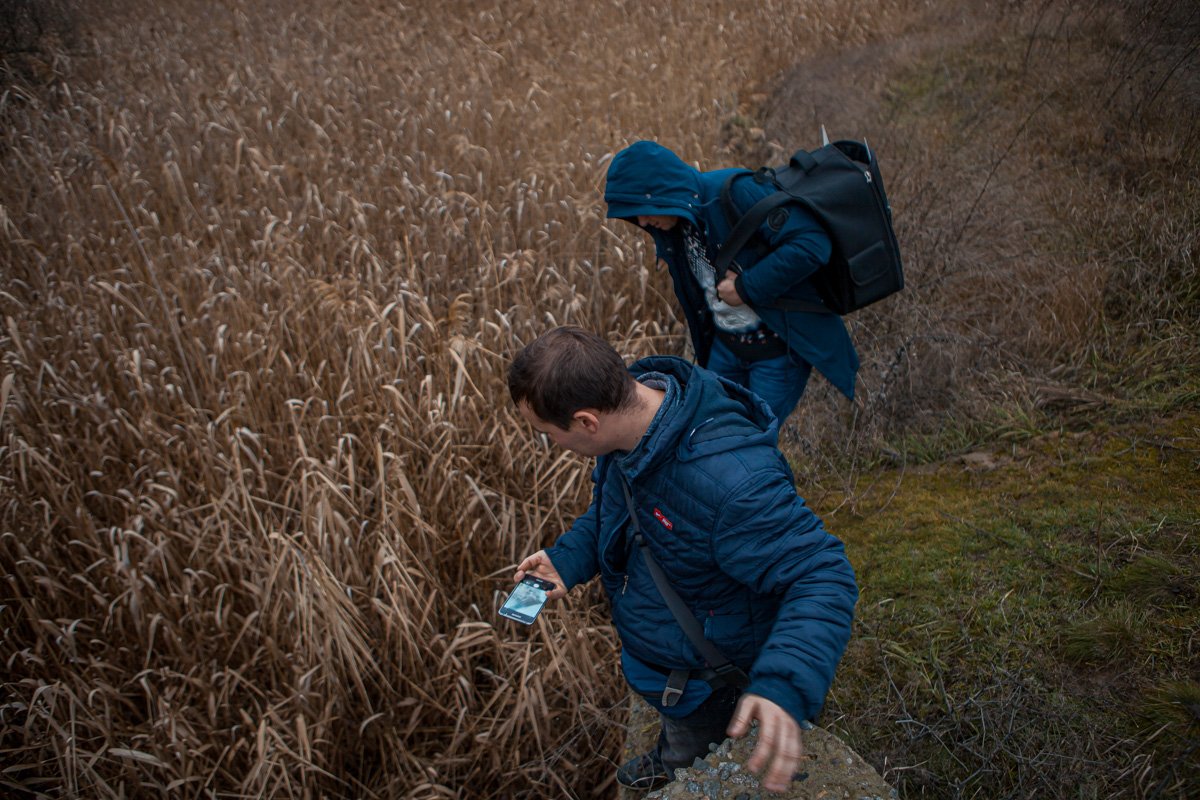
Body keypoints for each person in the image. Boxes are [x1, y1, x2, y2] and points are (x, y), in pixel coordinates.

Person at [507, 326, 858, 793]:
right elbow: (616, 511)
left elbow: (823, 574)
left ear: (587, 422)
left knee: (697, 754)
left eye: (548, 434)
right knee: (678, 739)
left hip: (715, 682)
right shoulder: (634, 417)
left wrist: (784, 684)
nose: (552, 445)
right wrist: (569, 559)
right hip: (673, 661)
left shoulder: (731, 484)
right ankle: (670, 758)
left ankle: (679, 768)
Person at [604, 140, 860, 422]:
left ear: (662, 192)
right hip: (726, 347)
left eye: (643, 208)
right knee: (712, 430)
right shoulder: (675, 224)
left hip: (776, 352)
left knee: (753, 438)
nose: (641, 221)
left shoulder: (736, 192)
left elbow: (812, 244)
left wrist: (746, 287)